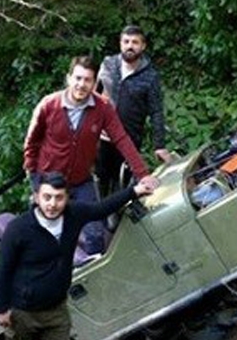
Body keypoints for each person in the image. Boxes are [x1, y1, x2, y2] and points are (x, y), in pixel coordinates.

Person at [0, 171, 157, 340]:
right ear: (36, 197)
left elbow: (102, 208)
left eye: (58, 198)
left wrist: (134, 191)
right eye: (46, 197)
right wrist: (1, 307)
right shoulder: (19, 229)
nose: (52, 204)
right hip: (23, 308)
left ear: (66, 199)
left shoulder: (74, 214)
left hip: (56, 306)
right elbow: (3, 270)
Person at [23, 55, 160, 256]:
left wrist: (143, 174)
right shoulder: (48, 105)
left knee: (95, 232)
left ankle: (94, 274)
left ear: (95, 83)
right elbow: (31, 143)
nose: (81, 85)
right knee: (48, 235)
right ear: (69, 78)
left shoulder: (102, 107)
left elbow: (121, 138)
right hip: (49, 181)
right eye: (78, 78)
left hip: (81, 180)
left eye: (87, 80)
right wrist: (35, 180)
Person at [96, 25, 173, 195]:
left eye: (135, 42)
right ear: (120, 43)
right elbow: (94, 94)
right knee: (100, 180)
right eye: (126, 41)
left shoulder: (150, 76)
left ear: (143, 46)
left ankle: (118, 218)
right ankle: (99, 216)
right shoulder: (108, 65)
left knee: (122, 184)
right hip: (102, 137)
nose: (130, 46)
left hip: (129, 140)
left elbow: (156, 112)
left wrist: (159, 145)